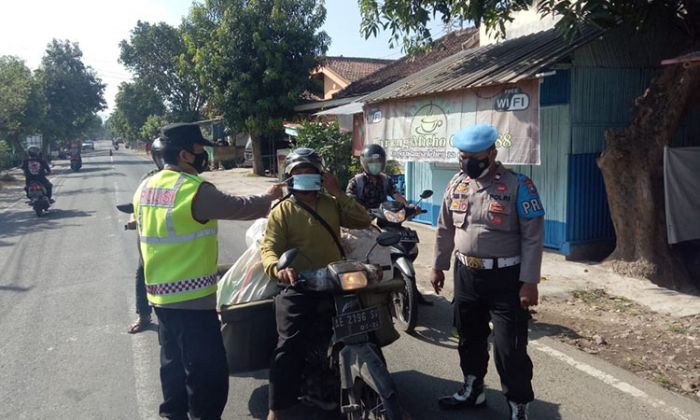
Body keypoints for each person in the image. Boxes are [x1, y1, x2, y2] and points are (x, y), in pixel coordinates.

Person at [133, 122, 284, 420]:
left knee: (173, 361)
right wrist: (269, 198)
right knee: (208, 372)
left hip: (160, 297)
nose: (204, 154)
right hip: (193, 299)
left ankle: (173, 414)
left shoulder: (146, 186)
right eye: (200, 148)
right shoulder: (193, 190)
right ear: (186, 155)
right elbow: (239, 207)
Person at [431, 124, 544, 420]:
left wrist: (530, 281)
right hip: (466, 274)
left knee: (510, 348)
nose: (468, 162)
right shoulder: (457, 184)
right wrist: (438, 266)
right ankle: (473, 388)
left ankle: (518, 403)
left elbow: (533, 236)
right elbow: (444, 228)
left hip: (507, 278)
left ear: (492, 153)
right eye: (463, 156)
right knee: (468, 337)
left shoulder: (519, 185)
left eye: (475, 157)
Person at [260, 148, 371, 420]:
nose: (306, 178)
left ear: (322, 177)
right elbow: (269, 248)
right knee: (288, 345)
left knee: (365, 329)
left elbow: (363, 219)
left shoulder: (331, 203)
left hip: (337, 280)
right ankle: (277, 408)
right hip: (299, 283)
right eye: (300, 173)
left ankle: (373, 387)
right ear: (289, 178)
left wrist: (338, 193)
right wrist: (278, 268)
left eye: (312, 173)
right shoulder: (282, 211)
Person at [126, 138, 166, 334]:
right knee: (143, 271)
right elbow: (137, 203)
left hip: (181, 234)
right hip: (150, 234)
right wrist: (133, 218)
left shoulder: (187, 176)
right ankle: (143, 315)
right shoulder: (148, 179)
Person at [346, 144, 411, 210]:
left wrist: (407, 205)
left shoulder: (386, 180)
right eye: (372, 162)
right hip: (362, 217)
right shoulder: (356, 181)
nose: (375, 165)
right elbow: (350, 200)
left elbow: (396, 194)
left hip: (383, 216)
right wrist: (360, 209)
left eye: (379, 162)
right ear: (364, 163)